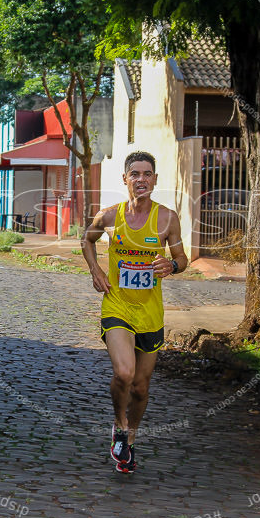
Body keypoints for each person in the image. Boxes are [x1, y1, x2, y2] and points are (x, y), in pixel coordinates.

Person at [81, 151, 188, 474]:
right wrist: (95, 271)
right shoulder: (110, 216)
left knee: (141, 386)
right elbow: (87, 240)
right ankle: (119, 425)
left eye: (147, 174)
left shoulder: (167, 218)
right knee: (124, 373)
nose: (141, 179)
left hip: (150, 312)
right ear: (125, 179)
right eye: (135, 174)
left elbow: (183, 258)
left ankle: (130, 436)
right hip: (117, 304)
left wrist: (171, 265)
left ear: (155, 180)